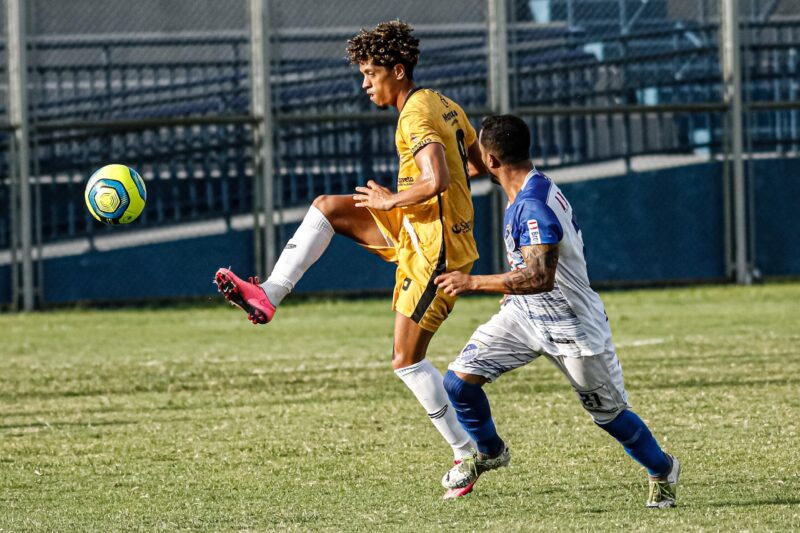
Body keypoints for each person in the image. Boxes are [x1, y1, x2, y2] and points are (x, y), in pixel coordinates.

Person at [214, 20, 487, 498]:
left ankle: (466, 453)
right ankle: (269, 294)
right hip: (417, 231)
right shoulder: (442, 103)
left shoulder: (415, 116)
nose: (364, 84)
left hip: (435, 252)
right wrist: (412, 201)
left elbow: (439, 178)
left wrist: (391, 201)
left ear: (398, 71)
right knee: (329, 208)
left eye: (370, 73)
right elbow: (477, 162)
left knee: (406, 360)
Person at [434, 114, 681, 508]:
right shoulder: (529, 185)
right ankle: (489, 452)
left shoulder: (530, 205)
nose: (473, 157)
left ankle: (662, 468)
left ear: (492, 160)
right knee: (459, 383)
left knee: (610, 417)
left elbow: (541, 276)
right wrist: (511, 289)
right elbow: (531, 274)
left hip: (573, 327)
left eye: (478, 150)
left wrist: (473, 282)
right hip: (525, 315)